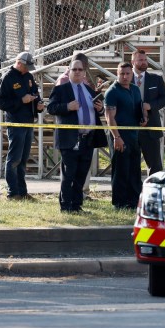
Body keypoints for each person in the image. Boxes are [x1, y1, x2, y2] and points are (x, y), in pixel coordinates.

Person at [48, 59, 108, 213]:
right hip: (70, 139)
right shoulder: (61, 89)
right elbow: (51, 108)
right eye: (74, 69)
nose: (77, 72)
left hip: (88, 139)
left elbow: (97, 112)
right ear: (69, 71)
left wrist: (100, 110)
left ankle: (76, 205)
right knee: (69, 174)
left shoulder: (89, 91)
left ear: (84, 72)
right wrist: (67, 106)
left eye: (80, 69)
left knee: (81, 174)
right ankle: (66, 206)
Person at [0, 51, 45, 200]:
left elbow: (35, 94)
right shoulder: (7, 78)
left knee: (23, 159)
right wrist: (21, 101)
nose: (29, 69)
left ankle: (22, 192)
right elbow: (1, 103)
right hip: (15, 122)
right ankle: (13, 192)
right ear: (19, 63)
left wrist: (38, 104)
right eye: (27, 66)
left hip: (28, 122)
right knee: (14, 159)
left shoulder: (29, 77)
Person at [104, 62, 147, 210]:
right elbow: (110, 117)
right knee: (120, 170)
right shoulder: (112, 92)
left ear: (131, 74)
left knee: (134, 170)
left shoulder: (135, 89)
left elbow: (139, 108)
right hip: (119, 136)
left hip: (134, 135)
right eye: (122, 74)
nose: (125, 76)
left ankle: (134, 201)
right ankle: (119, 203)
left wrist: (144, 117)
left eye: (128, 73)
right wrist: (116, 137)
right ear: (117, 73)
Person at [131, 49, 165, 175]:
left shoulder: (156, 79)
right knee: (131, 166)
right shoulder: (125, 78)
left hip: (151, 129)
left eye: (145, 60)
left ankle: (153, 192)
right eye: (140, 60)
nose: (144, 62)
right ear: (133, 62)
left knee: (155, 166)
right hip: (131, 128)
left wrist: (151, 106)